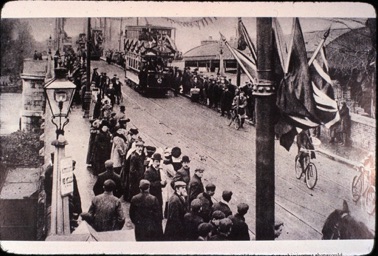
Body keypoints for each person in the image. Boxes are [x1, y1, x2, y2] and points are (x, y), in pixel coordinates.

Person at [69, 160, 82, 232]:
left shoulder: (72, 175)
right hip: (73, 198)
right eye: (73, 166)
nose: (74, 168)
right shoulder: (71, 176)